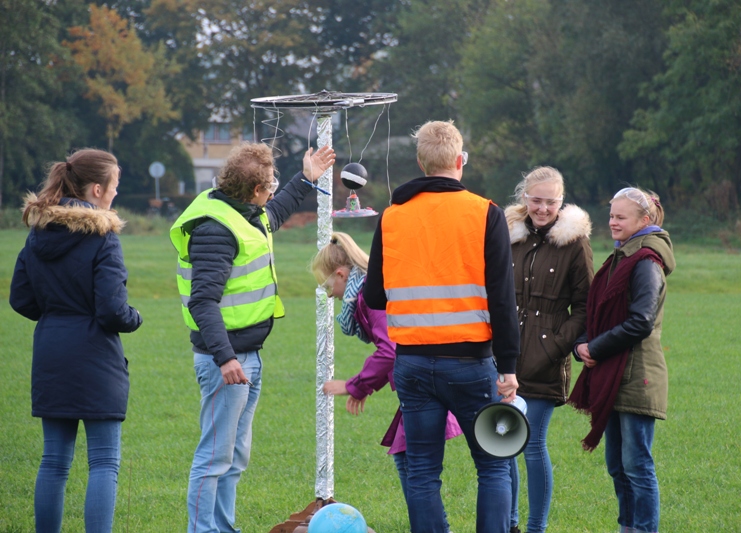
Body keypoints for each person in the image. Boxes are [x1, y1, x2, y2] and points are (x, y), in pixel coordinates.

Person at [169, 142, 335, 533]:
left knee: (234, 457)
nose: (273, 193)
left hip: (248, 357)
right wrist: (225, 358)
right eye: (270, 186)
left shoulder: (245, 212)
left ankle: (223, 528)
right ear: (255, 190)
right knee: (214, 457)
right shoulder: (215, 230)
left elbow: (275, 214)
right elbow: (203, 302)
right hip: (227, 362)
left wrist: (306, 178)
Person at [363, 120, 520, 533]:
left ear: (421, 163)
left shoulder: (392, 216)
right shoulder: (485, 213)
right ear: (459, 161)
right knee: (493, 466)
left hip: (412, 363)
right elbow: (503, 300)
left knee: (422, 471)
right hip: (471, 362)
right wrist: (508, 366)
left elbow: (374, 295)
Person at [9, 148, 143, 533]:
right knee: (103, 461)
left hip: (50, 352)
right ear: (97, 189)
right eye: (114, 185)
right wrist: (135, 317)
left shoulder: (38, 234)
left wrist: (57, 316)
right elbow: (112, 311)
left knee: (53, 461)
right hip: (95, 358)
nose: (116, 193)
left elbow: (20, 298)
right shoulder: (103, 238)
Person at [314, 232, 463, 531]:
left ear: (341, 274)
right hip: (427, 377)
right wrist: (365, 386)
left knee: (414, 466)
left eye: (328, 286)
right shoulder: (369, 290)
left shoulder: (371, 296)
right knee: (408, 460)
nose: (330, 295)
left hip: (428, 381)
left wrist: (355, 385)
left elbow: (391, 348)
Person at [568, 186, 675, 533]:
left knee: (637, 466)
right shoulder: (622, 256)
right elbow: (597, 313)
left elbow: (640, 322)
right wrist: (582, 345)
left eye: (621, 217)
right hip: (615, 373)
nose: (613, 222)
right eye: (611, 215)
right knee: (617, 464)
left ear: (644, 220)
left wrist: (595, 348)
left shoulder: (646, 261)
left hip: (637, 375)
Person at [504, 167, 594, 533]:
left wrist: (556, 345)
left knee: (532, 444)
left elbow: (586, 306)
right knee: (504, 444)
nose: (542, 209)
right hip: (504, 360)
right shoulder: (508, 236)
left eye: (550, 202)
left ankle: (535, 528)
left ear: (562, 201)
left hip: (545, 361)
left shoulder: (575, 244)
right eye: (536, 200)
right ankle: (508, 524)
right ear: (524, 198)